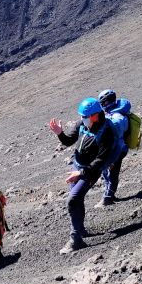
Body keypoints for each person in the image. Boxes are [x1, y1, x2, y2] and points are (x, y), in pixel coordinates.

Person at [48, 97, 119, 254]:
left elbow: (100, 161)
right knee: (77, 199)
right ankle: (80, 230)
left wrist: (80, 173)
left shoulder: (106, 131)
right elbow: (69, 141)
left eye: (85, 116)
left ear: (95, 115)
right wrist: (60, 134)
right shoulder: (82, 124)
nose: (82, 119)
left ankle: (76, 239)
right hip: (77, 167)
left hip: (90, 171)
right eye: (81, 116)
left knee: (73, 200)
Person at [97, 89, 131, 206]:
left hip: (118, 149)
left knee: (112, 173)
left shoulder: (117, 116)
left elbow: (116, 132)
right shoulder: (114, 113)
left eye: (105, 103)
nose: (104, 105)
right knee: (107, 172)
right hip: (115, 148)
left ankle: (108, 198)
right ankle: (109, 195)